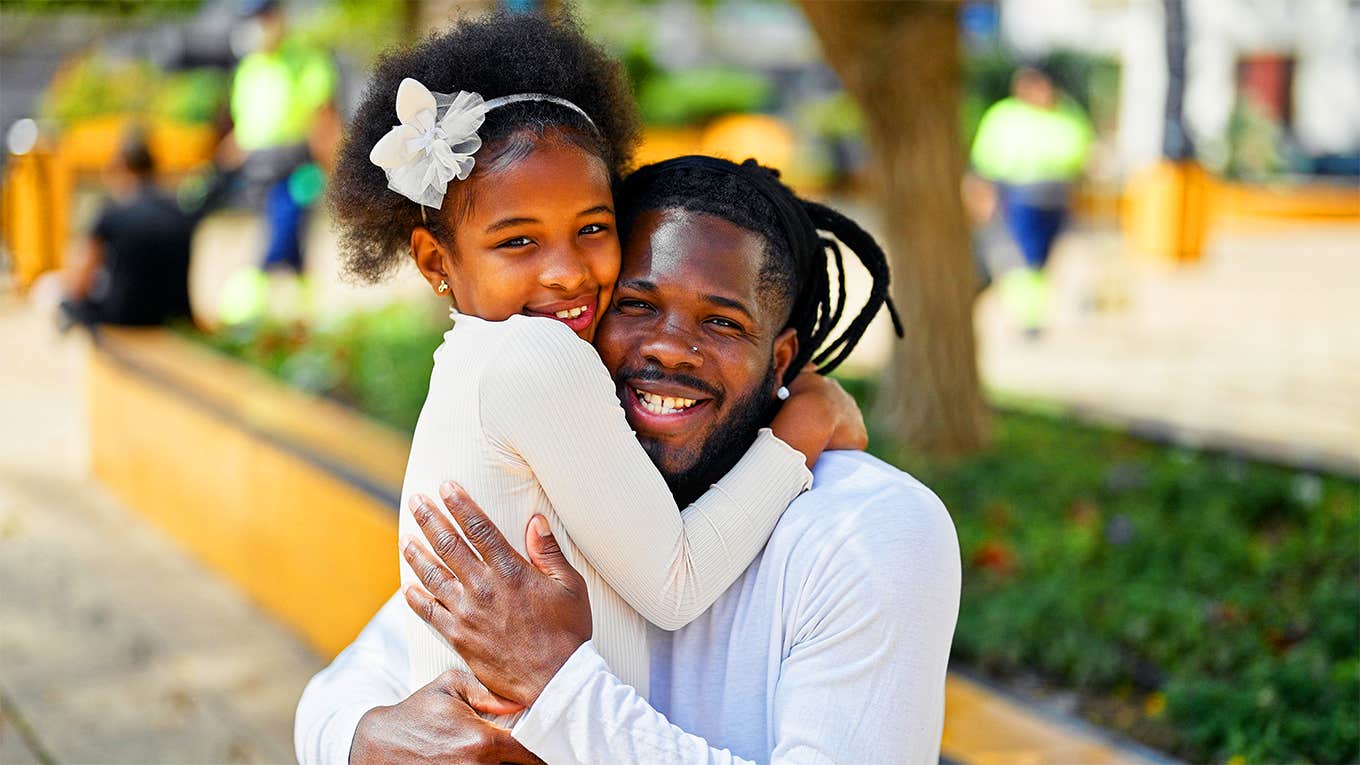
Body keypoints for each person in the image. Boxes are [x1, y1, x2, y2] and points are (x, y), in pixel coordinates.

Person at [295, 156, 961, 765]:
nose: (671, 348)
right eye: (636, 305)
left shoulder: (868, 531)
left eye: (722, 322)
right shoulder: (557, 475)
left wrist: (561, 686)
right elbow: (338, 693)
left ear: (781, 359)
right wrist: (363, 738)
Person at [324, 12, 868, 731]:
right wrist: (804, 424)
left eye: (592, 227)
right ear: (435, 262)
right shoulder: (537, 359)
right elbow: (676, 585)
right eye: (518, 240)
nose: (569, 272)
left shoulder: (470, 366)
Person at [969, 65, 1093, 333]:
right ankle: (1029, 317)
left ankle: (1029, 310)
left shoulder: (1067, 116)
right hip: (1018, 195)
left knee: (1039, 260)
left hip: (1055, 198)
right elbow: (984, 160)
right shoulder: (1005, 116)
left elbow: (1081, 153)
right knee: (1024, 259)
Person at [223, 0, 337, 273]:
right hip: (254, 171)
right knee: (269, 241)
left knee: (283, 237)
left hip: (295, 167)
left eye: (261, 17)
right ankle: (281, 306)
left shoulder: (307, 59)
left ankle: (259, 301)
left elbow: (324, 121)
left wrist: (333, 168)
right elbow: (244, 127)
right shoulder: (248, 68)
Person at [59, 128, 192, 328]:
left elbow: (79, 284)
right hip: (173, 317)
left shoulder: (113, 212)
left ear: (121, 167)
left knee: (55, 296)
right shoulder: (180, 211)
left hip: (125, 319)